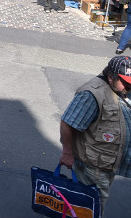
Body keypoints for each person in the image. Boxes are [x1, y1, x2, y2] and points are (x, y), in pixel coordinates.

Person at [59, 56, 131, 214]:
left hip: (107, 166)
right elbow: (67, 123)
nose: (129, 86)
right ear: (111, 77)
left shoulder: (121, 89)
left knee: (85, 208)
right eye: (125, 82)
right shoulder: (92, 94)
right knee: (91, 210)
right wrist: (67, 153)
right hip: (92, 169)